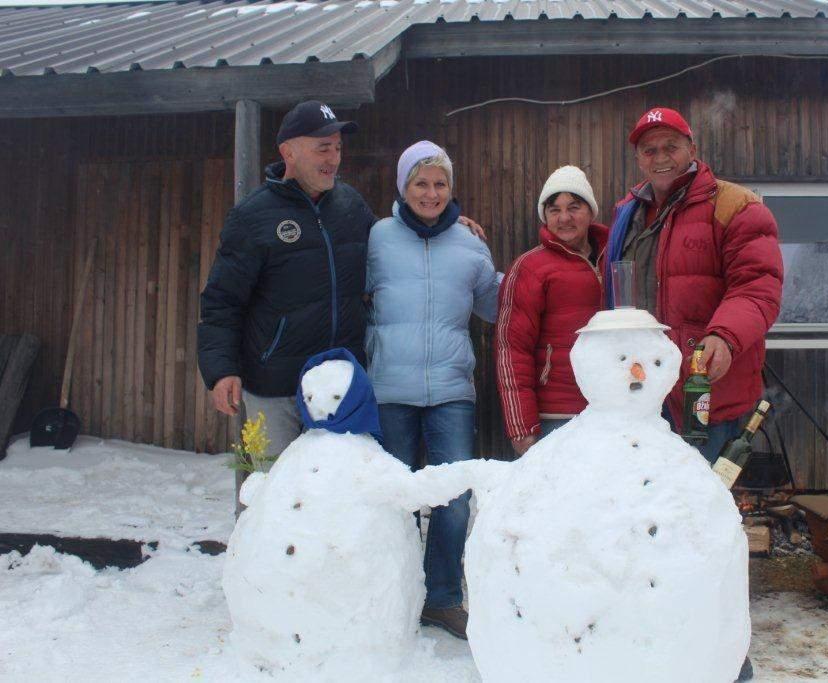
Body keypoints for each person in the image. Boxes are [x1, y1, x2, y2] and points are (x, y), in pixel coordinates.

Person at [607, 108, 782, 682]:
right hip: (647, 401)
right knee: (651, 524)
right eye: (648, 148)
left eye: (669, 145)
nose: (660, 156)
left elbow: (758, 284)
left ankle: (724, 660)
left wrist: (725, 334)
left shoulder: (736, 207)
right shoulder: (629, 215)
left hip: (712, 397)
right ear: (639, 157)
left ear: (691, 146)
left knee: (705, 529)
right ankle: (663, 648)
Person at [365, 140, 501, 640]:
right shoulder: (377, 237)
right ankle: (389, 593)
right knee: (392, 498)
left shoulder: (470, 244)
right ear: (403, 187)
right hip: (389, 389)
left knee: (454, 499)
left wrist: (544, 275)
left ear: (452, 188)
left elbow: (494, 305)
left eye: (440, 183)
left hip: (449, 389)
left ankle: (441, 599)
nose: (431, 192)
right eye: (420, 183)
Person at [198, 100, 374, 463]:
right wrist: (222, 370)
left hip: (336, 387)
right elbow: (222, 301)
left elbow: (393, 245)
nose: (334, 158)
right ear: (288, 152)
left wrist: (447, 228)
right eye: (323, 147)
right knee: (271, 496)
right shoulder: (253, 217)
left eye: (338, 148)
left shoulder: (352, 206)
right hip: (274, 389)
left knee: (335, 496)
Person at [495, 166, 608, 455]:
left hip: (611, 411)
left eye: (574, 207)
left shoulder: (615, 259)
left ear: (591, 211)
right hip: (555, 417)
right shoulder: (529, 268)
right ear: (544, 215)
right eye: (554, 209)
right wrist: (521, 426)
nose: (564, 218)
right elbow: (511, 349)